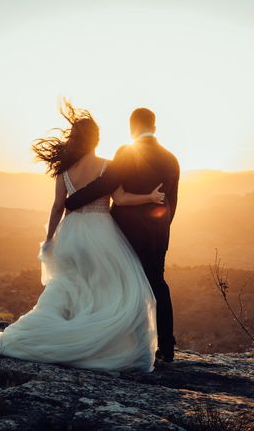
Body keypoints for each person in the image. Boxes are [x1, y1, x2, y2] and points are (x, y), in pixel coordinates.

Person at [0, 100, 163, 372]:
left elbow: (56, 207)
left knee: (70, 286)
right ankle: (96, 340)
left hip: (71, 234)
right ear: (96, 140)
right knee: (114, 290)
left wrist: (50, 239)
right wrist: (150, 197)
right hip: (102, 233)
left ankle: (59, 332)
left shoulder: (63, 172)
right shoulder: (108, 166)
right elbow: (120, 199)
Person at [65, 107, 180, 362]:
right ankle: (167, 347)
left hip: (125, 232)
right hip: (157, 236)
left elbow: (106, 184)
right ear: (155, 126)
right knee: (157, 285)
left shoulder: (126, 152)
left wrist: (72, 201)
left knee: (121, 286)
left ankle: (123, 344)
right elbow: (172, 203)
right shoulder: (172, 159)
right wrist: (162, 229)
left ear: (132, 128)